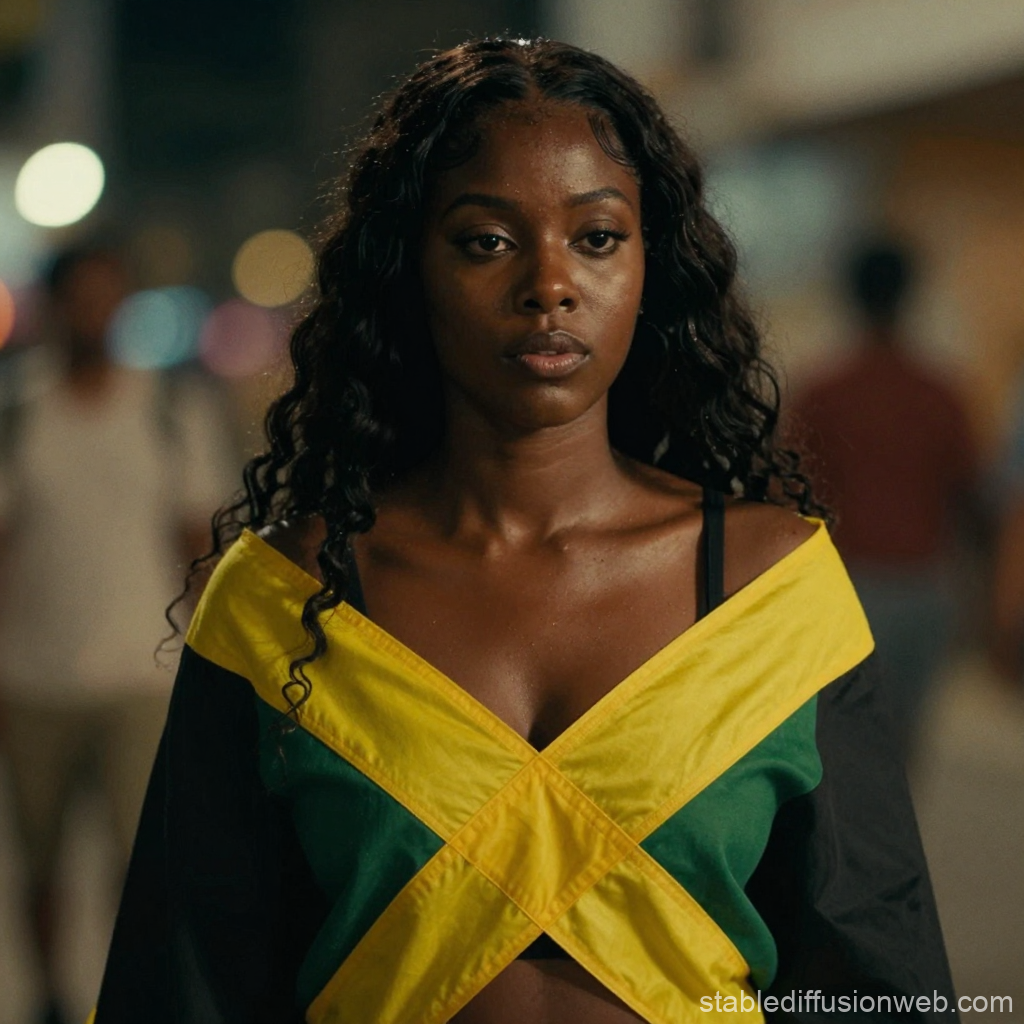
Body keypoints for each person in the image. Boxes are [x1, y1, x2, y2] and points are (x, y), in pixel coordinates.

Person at [93, 40, 955, 1024]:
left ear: (650, 263)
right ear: (406, 268)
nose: (549, 284)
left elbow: (871, 972)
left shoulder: (772, 587)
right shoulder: (280, 599)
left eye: (595, 237)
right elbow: (185, 979)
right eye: (484, 240)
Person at [0, 244, 235, 1024]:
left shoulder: (170, 410)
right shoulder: (20, 415)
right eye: (81, 297)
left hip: (146, 676)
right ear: (57, 306)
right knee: (40, 867)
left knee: (145, 863)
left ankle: (143, 1000)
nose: (95, 312)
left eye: (109, 295)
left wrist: (216, 674)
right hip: (33, 680)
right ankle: (54, 1002)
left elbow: (199, 546)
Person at [793, 243, 978, 762]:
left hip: (843, 583)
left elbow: (790, 495)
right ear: (909, 295)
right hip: (921, 586)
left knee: (838, 747)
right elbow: (967, 494)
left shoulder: (824, 392)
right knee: (901, 750)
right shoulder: (939, 393)